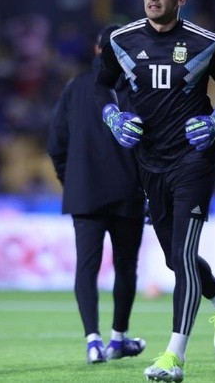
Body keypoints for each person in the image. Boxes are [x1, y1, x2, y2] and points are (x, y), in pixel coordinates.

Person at [94, 0, 215, 382]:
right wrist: (113, 116)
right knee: (177, 261)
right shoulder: (121, 41)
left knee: (181, 254)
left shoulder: (205, 42)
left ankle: (173, 356)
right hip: (149, 162)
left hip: (194, 159)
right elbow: (101, 84)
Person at [47, 25, 147, 364]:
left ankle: (92, 341)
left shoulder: (75, 88)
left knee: (86, 268)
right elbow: (150, 148)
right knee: (125, 267)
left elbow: (55, 145)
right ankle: (118, 339)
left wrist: (71, 181)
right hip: (127, 192)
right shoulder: (138, 89)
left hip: (84, 193)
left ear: (96, 50)